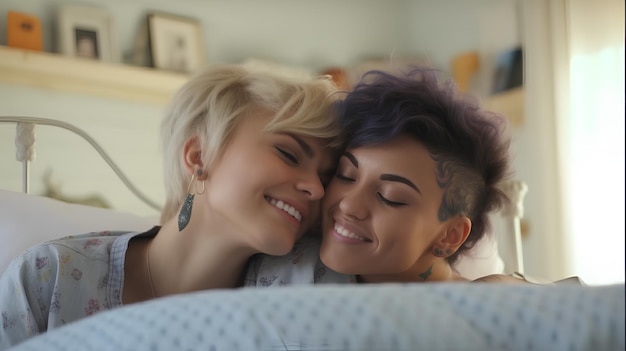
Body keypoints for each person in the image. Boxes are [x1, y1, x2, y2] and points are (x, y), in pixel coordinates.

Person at [0, 63, 346, 348]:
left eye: (326, 176)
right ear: (199, 156)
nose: (315, 189)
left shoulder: (306, 282)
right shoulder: (50, 277)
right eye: (288, 153)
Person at [246, 66, 530, 286]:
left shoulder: (497, 308)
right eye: (345, 175)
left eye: (389, 197)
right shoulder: (287, 274)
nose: (347, 205)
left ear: (449, 235)